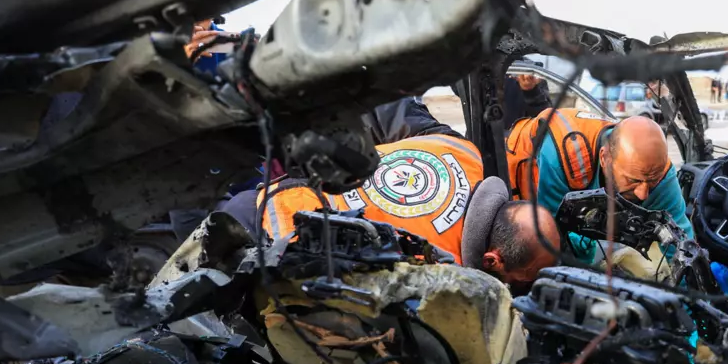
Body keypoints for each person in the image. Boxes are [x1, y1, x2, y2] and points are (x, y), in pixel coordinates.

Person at [235, 98, 561, 292]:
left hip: (258, 199)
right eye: (520, 279)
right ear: (492, 260)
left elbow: (389, 108)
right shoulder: (437, 267)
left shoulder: (461, 149)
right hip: (258, 251)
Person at [505, 110, 694, 254]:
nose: (643, 194)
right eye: (633, 181)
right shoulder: (560, 158)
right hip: (522, 185)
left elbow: (681, 241)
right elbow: (551, 239)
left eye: (651, 181)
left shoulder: (656, 169)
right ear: (605, 159)